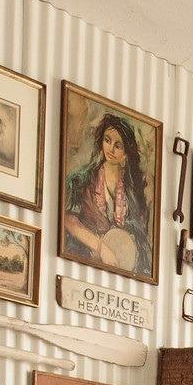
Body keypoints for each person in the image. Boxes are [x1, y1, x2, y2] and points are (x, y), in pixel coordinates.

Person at [62, 111, 152, 276]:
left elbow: (141, 234)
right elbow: (68, 220)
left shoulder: (134, 190)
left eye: (118, 145)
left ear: (126, 152)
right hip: (86, 262)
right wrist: (100, 246)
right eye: (107, 140)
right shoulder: (81, 180)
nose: (111, 149)